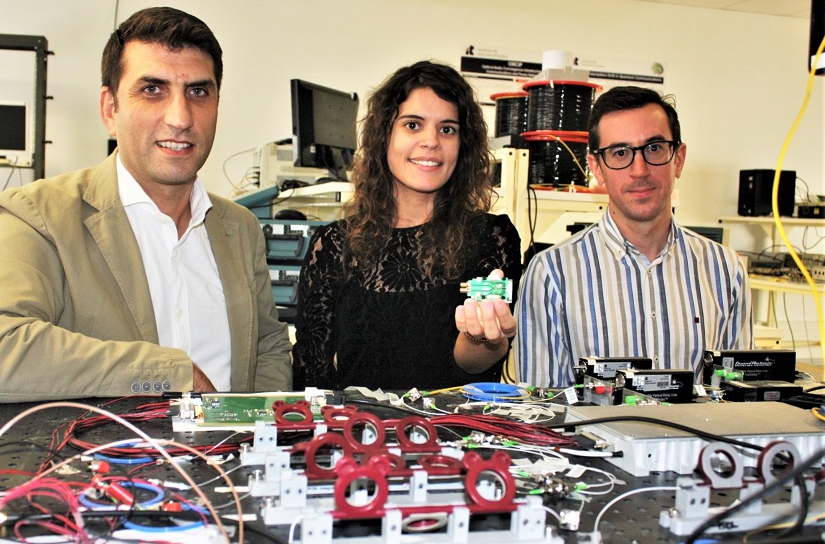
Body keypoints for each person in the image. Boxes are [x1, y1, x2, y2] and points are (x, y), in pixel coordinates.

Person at [0, 7, 292, 403]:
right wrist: (171, 374)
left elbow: (268, 346)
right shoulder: (38, 215)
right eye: (152, 90)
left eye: (198, 92)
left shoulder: (240, 227)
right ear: (110, 109)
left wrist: (259, 425)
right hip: (103, 444)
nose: (180, 117)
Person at [292, 60, 522, 391]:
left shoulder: (491, 238)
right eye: (413, 125)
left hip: (452, 421)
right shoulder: (333, 245)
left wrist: (480, 337)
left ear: (463, 144)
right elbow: (311, 372)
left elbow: (476, 366)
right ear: (384, 135)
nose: (431, 141)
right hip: (356, 422)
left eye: (447, 129)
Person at [515, 86, 752, 388]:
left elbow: (738, 397)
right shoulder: (551, 274)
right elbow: (544, 404)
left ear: (678, 158)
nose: (639, 170)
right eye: (620, 153)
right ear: (596, 167)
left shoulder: (726, 270)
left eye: (654, 148)